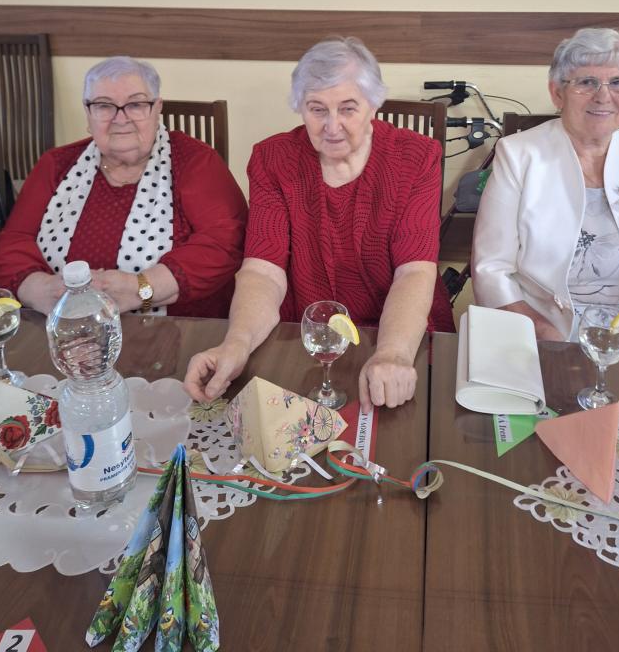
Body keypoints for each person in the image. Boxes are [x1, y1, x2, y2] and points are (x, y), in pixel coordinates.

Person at [184, 37, 454, 411]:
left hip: (397, 332)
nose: (332, 126)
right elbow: (263, 271)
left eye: (348, 108)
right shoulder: (272, 159)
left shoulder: (417, 157)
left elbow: (414, 270)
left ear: (374, 104)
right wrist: (237, 342)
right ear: (300, 106)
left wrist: (392, 352)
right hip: (305, 335)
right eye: (317, 109)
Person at [471, 28, 619, 349]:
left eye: (618, 82)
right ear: (557, 93)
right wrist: (547, 339)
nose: (603, 96)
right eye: (587, 82)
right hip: (548, 334)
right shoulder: (519, 155)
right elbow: (491, 269)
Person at [0, 56, 248, 317]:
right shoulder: (56, 164)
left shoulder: (195, 162)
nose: (120, 118)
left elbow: (225, 242)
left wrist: (140, 287)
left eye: (136, 104)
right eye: (104, 106)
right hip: (65, 326)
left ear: (157, 108)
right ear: (88, 112)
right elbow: (13, 240)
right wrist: (39, 288)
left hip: (180, 330)